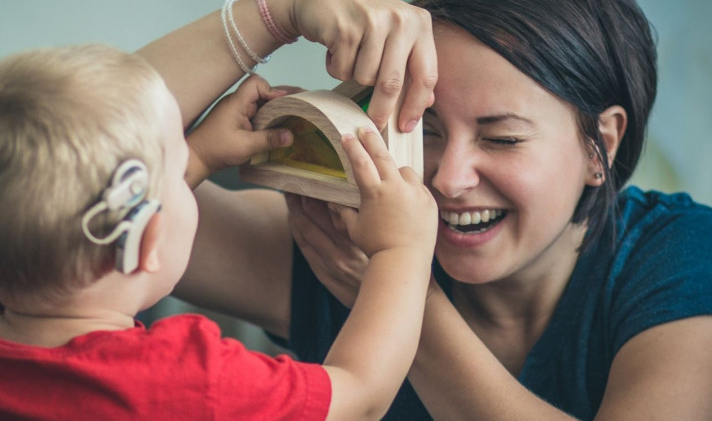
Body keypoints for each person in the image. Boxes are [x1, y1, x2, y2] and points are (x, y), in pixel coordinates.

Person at [132, 0, 712, 419]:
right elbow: (57, 176)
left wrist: (393, 287)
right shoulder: (331, 239)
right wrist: (273, 11)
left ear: (602, 146)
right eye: (423, 130)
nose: (449, 179)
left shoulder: (687, 258)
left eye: (502, 138)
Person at [0, 42, 438, 420]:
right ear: (146, 240)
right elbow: (359, 398)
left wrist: (203, 156)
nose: (192, 170)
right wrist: (401, 248)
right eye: (181, 172)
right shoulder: (189, 382)